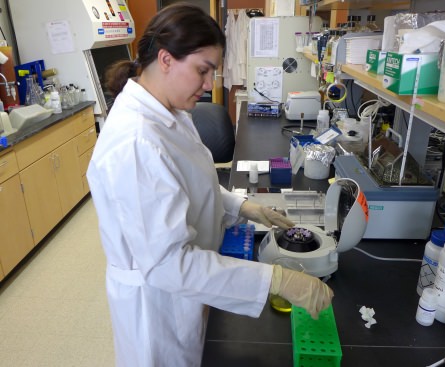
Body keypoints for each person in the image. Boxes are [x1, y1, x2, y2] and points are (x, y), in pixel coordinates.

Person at [87, 3, 333, 367]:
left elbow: (188, 181)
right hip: (157, 307)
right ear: (166, 59)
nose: (208, 84)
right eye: (203, 70)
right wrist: (276, 281)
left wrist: (242, 206)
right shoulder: (136, 143)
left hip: (189, 284)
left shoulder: (169, 110)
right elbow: (170, 266)